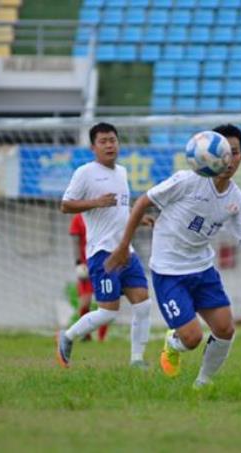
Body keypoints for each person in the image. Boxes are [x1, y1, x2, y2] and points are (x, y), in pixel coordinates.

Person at [105, 124, 241, 388]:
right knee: (192, 338)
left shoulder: (239, 201)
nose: (228, 159)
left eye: (234, 152)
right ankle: (172, 344)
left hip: (203, 270)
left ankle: (203, 383)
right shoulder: (186, 181)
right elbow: (142, 202)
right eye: (224, 153)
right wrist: (122, 246)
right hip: (169, 272)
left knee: (225, 329)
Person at [56, 122, 152, 369]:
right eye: (103, 141)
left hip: (126, 251)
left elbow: (120, 209)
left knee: (143, 304)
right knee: (108, 312)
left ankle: (137, 360)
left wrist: (139, 219)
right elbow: (65, 205)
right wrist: (96, 202)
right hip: (102, 254)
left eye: (113, 140)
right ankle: (67, 336)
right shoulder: (85, 173)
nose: (110, 145)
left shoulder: (122, 172)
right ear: (93, 147)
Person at [69, 213, 108, 342]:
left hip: (103, 265)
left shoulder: (102, 216)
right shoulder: (78, 218)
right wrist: (78, 262)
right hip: (86, 267)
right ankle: (86, 335)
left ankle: (101, 339)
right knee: (84, 302)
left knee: (106, 303)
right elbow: (75, 241)